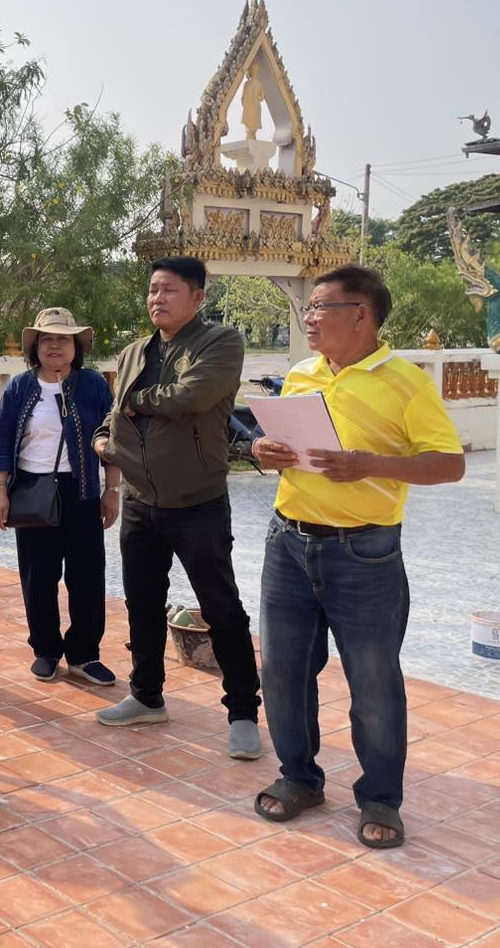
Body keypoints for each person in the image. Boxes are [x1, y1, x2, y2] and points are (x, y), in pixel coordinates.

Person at [251, 265, 464, 848]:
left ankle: (380, 799)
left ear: (362, 315)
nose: (309, 317)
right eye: (309, 308)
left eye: (321, 307)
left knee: (372, 679)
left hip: (364, 552)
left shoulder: (405, 383)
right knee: (283, 670)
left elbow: (449, 463)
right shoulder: (300, 374)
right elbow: (278, 445)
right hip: (287, 542)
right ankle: (299, 777)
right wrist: (261, 451)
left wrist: (371, 464)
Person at [92, 256, 263, 760]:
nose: (156, 299)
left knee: (221, 607)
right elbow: (113, 409)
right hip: (141, 502)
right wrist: (105, 438)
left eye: (168, 290)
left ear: (197, 298)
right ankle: (146, 695)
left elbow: (192, 396)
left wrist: (134, 402)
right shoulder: (132, 352)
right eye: (152, 290)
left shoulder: (220, 342)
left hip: (198, 503)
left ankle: (243, 713)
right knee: (142, 603)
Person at [0, 308, 121, 684]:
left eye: (63, 339)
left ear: (76, 347)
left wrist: (112, 490)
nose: (55, 346)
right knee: (38, 575)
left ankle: (84, 654)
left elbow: (113, 438)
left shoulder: (93, 385)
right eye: (47, 339)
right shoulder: (20, 387)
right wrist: (0, 490)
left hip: (81, 492)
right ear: (36, 347)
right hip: (31, 490)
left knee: (87, 575)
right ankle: (46, 649)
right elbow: (0, 437)